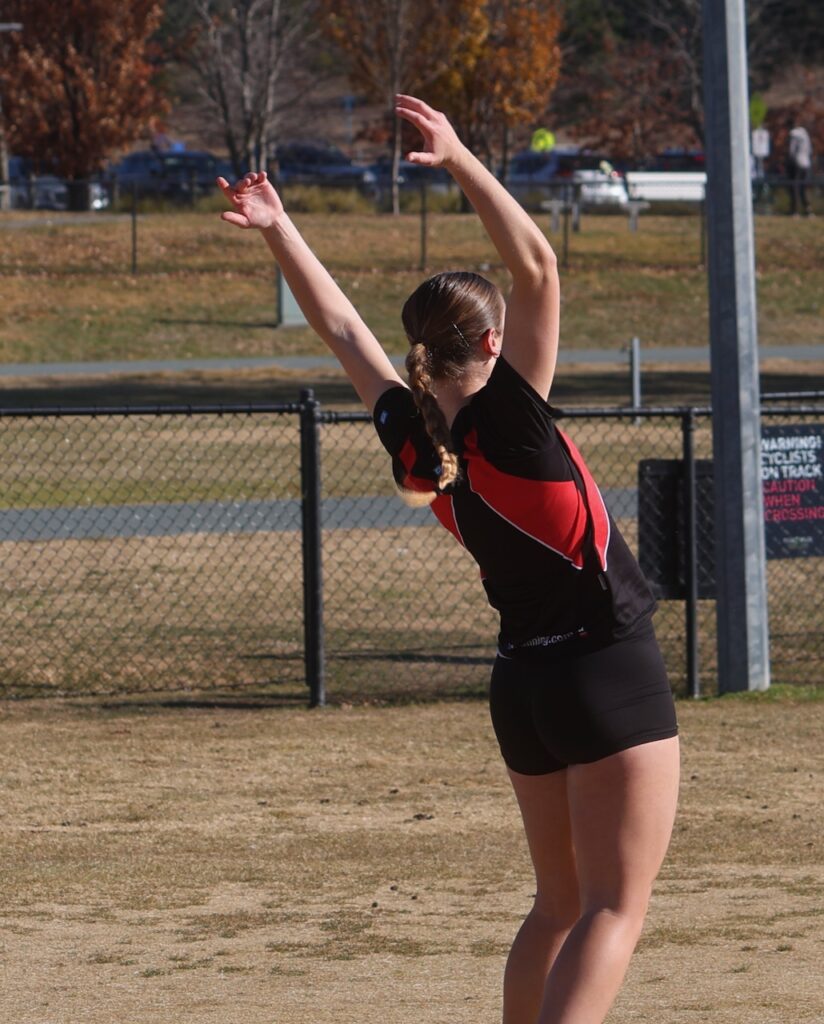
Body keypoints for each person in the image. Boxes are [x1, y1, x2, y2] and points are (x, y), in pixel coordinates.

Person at [218, 94, 680, 1024]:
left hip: (522, 688)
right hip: (605, 667)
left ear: (427, 355)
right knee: (612, 909)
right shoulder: (512, 420)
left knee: (556, 905)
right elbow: (539, 262)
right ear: (495, 347)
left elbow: (346, 331)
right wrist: (462, 157)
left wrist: (280, 228)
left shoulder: (417, 440)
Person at [786, 119, 813, 217]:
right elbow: (810, 149)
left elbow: (791, 150)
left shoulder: (793, 134)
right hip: (806, 162)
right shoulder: (804, 133)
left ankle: (795, 211)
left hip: (796, 162)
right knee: (804, 187)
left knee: (794, 187)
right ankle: (808, 210)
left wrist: (789, 161)